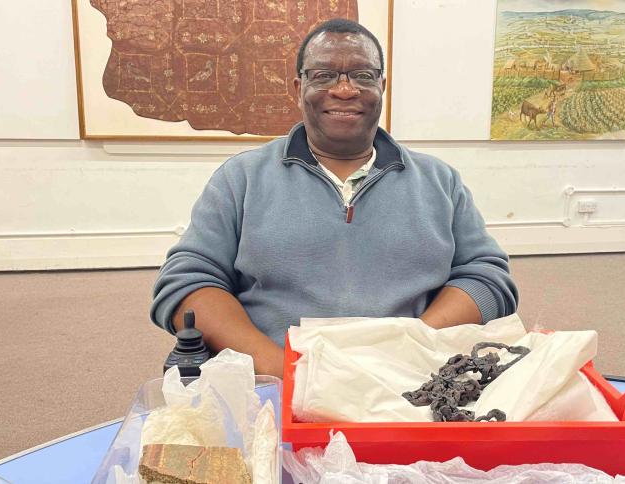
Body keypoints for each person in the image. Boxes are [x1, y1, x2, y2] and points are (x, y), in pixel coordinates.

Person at [151, 19, 518, 378]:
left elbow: (486, 278)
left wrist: (413, 342)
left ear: (382, 85)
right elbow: (189, 281)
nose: (345, 90)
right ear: (298, 87)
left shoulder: (440, 181)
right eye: (324, 75)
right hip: (274, 380)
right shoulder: (240, 179)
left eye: (363, 75)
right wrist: (282, 369)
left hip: (412, 378)